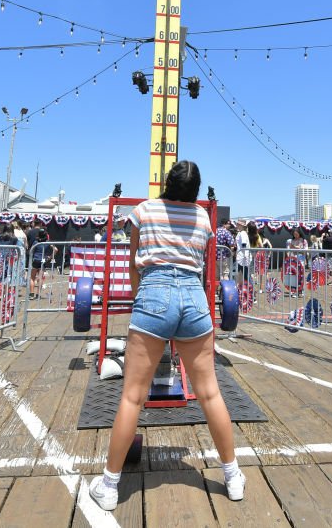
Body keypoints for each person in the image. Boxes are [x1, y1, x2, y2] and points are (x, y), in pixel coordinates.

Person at [89, 161, 244, 510]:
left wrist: (140, 300)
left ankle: (109, 486)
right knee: (209, 393)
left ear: (167, 182)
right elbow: (201, 266)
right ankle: (233, 477)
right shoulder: (204, 219)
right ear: (195, 189)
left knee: (132, 397)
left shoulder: (143, 211)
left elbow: (132, 263)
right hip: (193, 297)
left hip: (154, 293)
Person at [29, 230, 52, 298]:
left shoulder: (36, 242)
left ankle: (31, 294)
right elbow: (56, 249)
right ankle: (38, 294)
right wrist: (50, 257)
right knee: (40, 278)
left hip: (36, 260)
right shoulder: (47, 242)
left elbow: (31, 250)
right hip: (43, 260)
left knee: (32, 278)